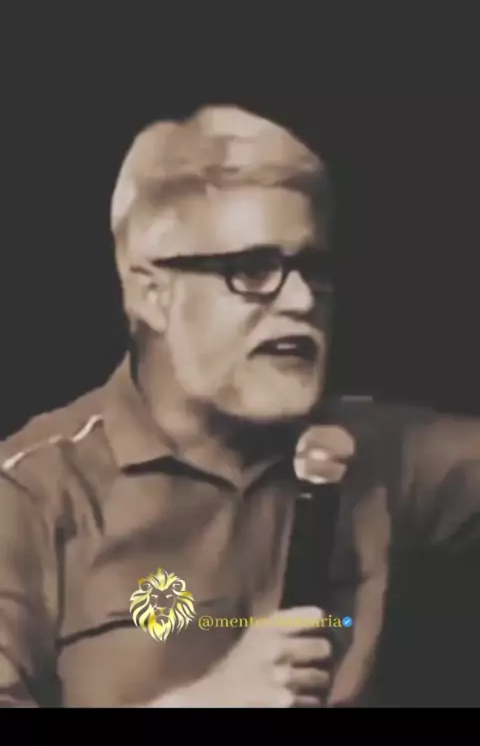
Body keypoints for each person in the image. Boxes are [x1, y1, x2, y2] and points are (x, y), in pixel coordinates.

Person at [0, 105, 479, 708]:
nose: (301, 299)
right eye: (253, 269)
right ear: (151, 292)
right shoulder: (32, 495)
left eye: (313, 268)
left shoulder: (373, 452)